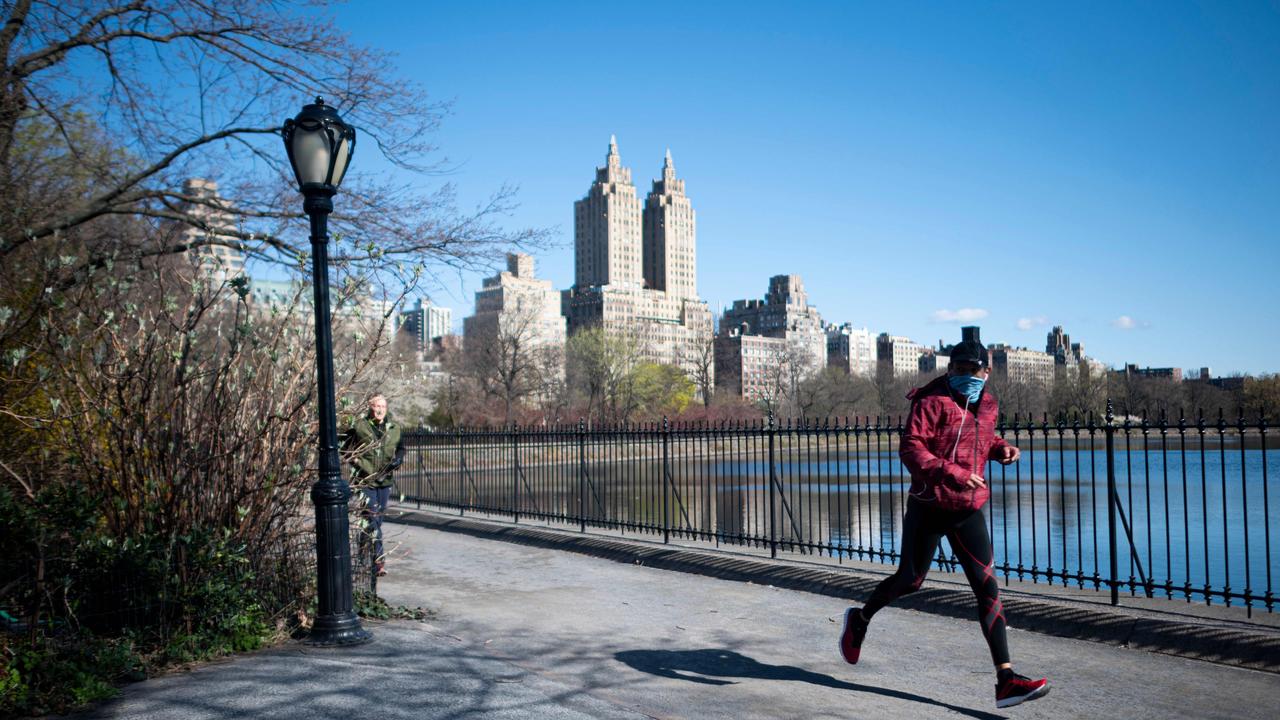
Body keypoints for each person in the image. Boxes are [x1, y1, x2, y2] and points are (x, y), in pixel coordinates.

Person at [837, 338, 1050, 709]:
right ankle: (860, 618)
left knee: (987, 589)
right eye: (961, 370)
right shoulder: (930, 401)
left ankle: (1005, 680)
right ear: (950, 370)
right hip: (929, 506)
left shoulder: (988, 404)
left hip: (968, 508)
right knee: (911, 580)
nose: (969, 377)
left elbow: (981, 440)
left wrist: (1001, 450)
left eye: (975, 371)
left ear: (987, 371)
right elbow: (911, 448)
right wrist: (951, 473)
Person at [343, 393, 404, 577]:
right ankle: (379, 562)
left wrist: (398, 460)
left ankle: (362, 551)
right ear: (370, 407)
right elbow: (344, 447)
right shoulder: (359, 426)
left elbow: (401, 447)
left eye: (383, 407)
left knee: (374, 521)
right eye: (377, 406)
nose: (380, 410)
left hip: (384, 480)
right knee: (373, 518)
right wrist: (356, 463)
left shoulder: (394, 428)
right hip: (365, 480)